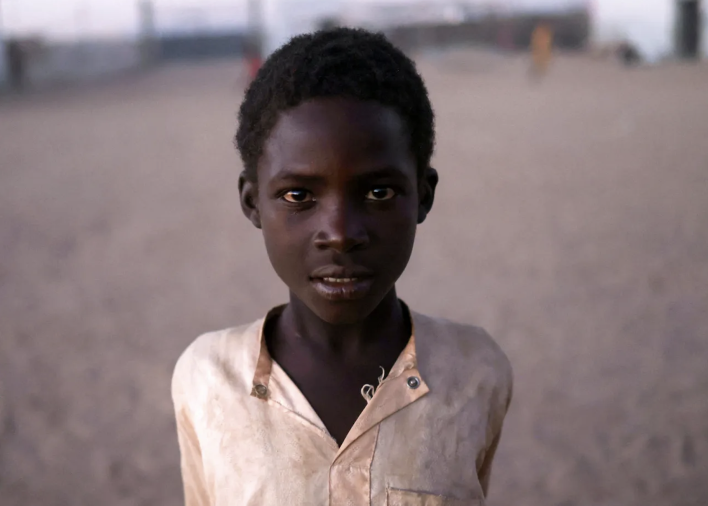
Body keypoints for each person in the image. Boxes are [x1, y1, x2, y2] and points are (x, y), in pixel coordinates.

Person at [172, 27, 513, 505]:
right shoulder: (206, 377)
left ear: (424, 195)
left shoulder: (476, 370)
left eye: (378, 192)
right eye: (299, 195)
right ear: (252, 203)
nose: (340, 233)